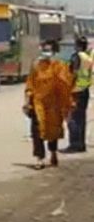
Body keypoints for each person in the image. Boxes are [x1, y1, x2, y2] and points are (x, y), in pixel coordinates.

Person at [23, 40, 73, 169]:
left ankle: (53, 153)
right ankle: (39, 158)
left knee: (53, 131)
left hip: (53, 106)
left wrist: (67, 103)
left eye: (48, 50)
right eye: (44, 49)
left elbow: (65, 85)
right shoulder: (36, 66)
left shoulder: (59, 66)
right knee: (36, 131)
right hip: (37, 103)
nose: (46, 52)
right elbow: (30, 84)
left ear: (54, 52)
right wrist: (27, 102)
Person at [63, 36, 91, 153]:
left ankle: (74, 144)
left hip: (75, 90)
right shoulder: (87, 57)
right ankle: (81, 144)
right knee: (82, 119)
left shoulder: (76, 57)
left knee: (73, 118)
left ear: (78, 45)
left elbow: (73, 73)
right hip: (85, 90)